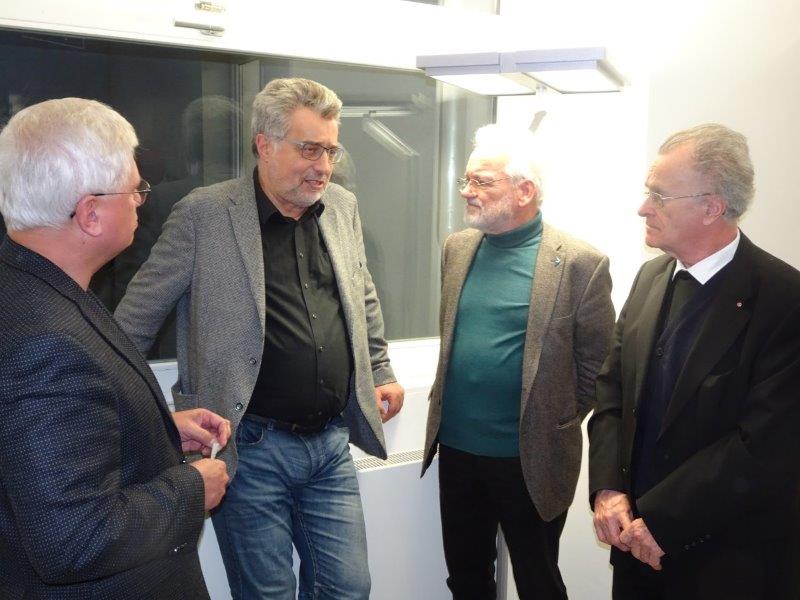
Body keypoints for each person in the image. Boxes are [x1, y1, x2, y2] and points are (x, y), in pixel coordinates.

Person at [115, 77, 404, 600]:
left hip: (330, 443)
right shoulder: (206, 214)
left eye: (331, 151)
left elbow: (361, 294)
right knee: (267, 593)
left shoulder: (341, 207)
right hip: (248, 446)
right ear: (264, 144)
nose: (323, 166)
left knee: (349, 588)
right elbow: (135, 320)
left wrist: (380, 368)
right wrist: (123, 411)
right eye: (309, 149)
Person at [0, 97, 231, 599]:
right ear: (90, 213)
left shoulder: (32, 287)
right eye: (135, 190)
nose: (141, 201)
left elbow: (44, 449)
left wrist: (155, 430)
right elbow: (73, 538)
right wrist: (192, 489)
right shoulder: (45, 342)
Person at [588, 123, 800, 599]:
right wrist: (608, 489)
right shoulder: (649, 278)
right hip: (635, 551)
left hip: (729, 562)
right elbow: (611, 392)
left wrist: (662, 521)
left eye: (659, 196)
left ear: (712, 208)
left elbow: (765, 446)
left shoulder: (784, 300)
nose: (644, 207)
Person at [421, 124, 615, 599]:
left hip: (530, 457)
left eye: (482, 181)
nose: (467, 191)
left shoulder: (580, 263)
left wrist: (552, 417)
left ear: (524, 191)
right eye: (467, 179)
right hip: (459, 450)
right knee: (466, 578)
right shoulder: (457, 249)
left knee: (538, 582)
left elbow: (598, 368)